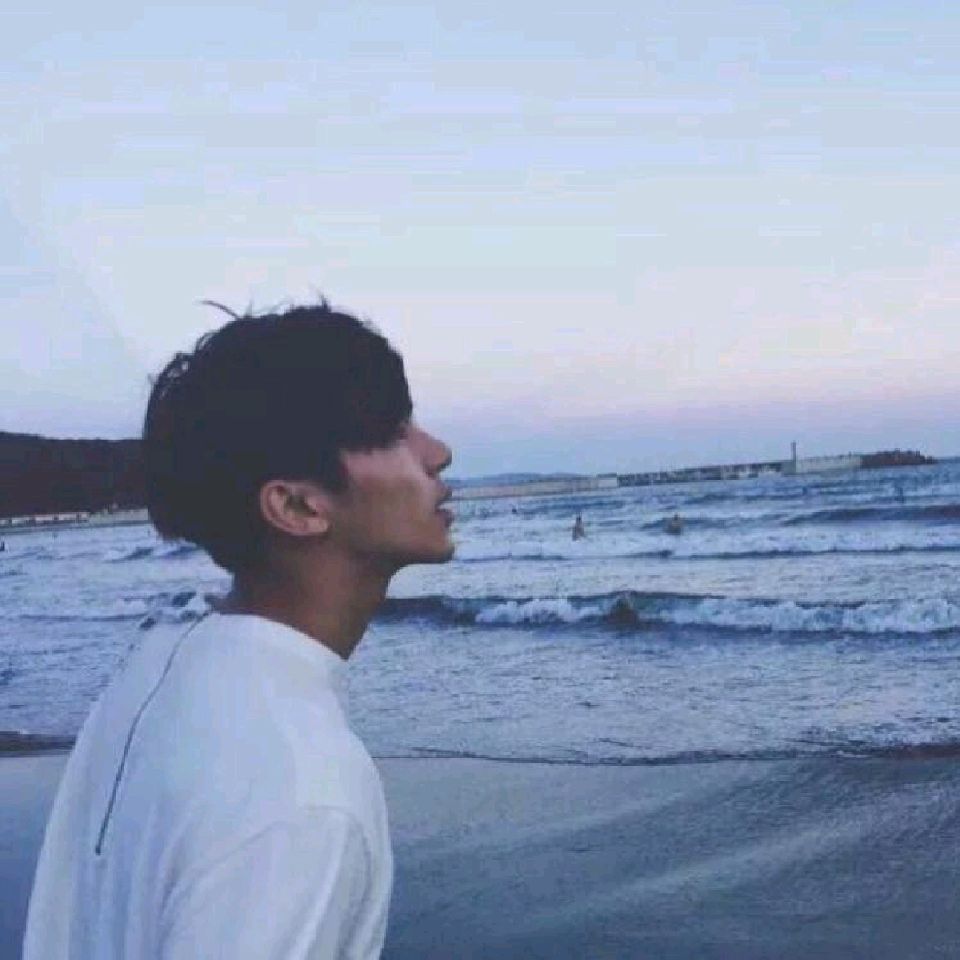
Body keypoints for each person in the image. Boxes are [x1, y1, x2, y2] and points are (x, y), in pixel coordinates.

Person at [24, 300, 454, 959]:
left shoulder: (159, 666)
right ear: (297, 506)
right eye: (394, 432)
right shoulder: (304, 795)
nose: (438, 454)